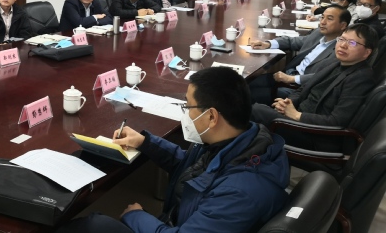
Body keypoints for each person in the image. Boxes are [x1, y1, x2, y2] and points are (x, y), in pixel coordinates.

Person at [56, 68, 289, 233]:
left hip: (179, 225)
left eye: (188, 106)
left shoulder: (241, 191)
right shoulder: (237, 140)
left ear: (211, 116)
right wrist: (145, 142)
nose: (185, 112)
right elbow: (191, 167)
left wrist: (136, 216)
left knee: (92, 226)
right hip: (181, 219)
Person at [252, 24, 377, 151]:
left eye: (352, 43)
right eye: (342, 39)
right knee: (256, 110)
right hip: (299, 119)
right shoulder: (335, 63)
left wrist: (297, 115)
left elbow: (337, 121)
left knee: (255, 111)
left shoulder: (361, 78)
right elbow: (303, 88)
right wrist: (288, 103)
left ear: (367, 52)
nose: (343, 45)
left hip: (314, 134)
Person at [249, 5, 350, 105]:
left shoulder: (341, 50)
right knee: (248, 84)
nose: (323, 22)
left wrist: (292, 79)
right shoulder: (318, 34)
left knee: (250, 94)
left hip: (300, 89)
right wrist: (268, 44)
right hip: (288, 75)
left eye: (329, 19)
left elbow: (325, 76)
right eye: (322, 17)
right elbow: (293, 41)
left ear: (343, 25)